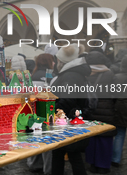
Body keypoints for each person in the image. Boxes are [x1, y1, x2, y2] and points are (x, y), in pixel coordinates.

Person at [51, 43, 92, 175]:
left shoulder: (71, 76)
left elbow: (68, 100)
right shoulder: (72, 74)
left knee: (69, 155)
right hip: (68, 120)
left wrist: (52, 110)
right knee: (65, 154)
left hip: (67, 121)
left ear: (62, 61)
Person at [84, 51, 115, 174]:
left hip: (90, 109)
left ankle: (91, 163)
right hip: (106, 109)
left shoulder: (85, 74)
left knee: (91, 137)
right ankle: (103, 165)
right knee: (105, 139)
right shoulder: (110, 74)